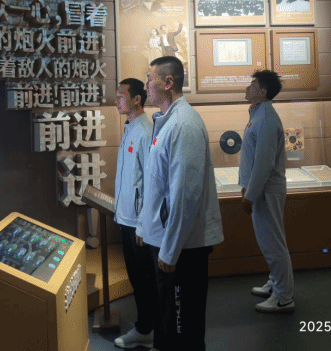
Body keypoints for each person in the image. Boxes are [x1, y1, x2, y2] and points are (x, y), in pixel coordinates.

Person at [136, 56, 224, 351]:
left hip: (182, 248)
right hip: (167, 241)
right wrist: (145, 227)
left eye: (150, 79)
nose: (146, 86)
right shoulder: (166, 121)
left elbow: (185, 194)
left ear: (168, 82)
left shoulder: (183, 125)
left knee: (182, 325)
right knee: (167, 322)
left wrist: (170, 249)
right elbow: (157, 187)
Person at [238, 70, 295, 313]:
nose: (247, 89)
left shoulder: (267, 119)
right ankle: (276, 282)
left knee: (273, 244)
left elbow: (264, 163)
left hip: (266, 191)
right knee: (269, 242)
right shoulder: (259, 115)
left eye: (252, 85)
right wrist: (247, 186)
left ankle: (284, 297)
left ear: (262, 92)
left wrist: (251, 195)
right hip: (261, 189)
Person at [113, 78, 158, 350]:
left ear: (137, 99)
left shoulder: (144, 131)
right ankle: (146, 327)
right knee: (137, 278)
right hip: (126, 218)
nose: (117, 100)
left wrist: (142, 223)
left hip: (137, 224)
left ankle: (146, 330)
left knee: (144, 279)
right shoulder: (131, 128)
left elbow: (151, 182)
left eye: (121, 96)